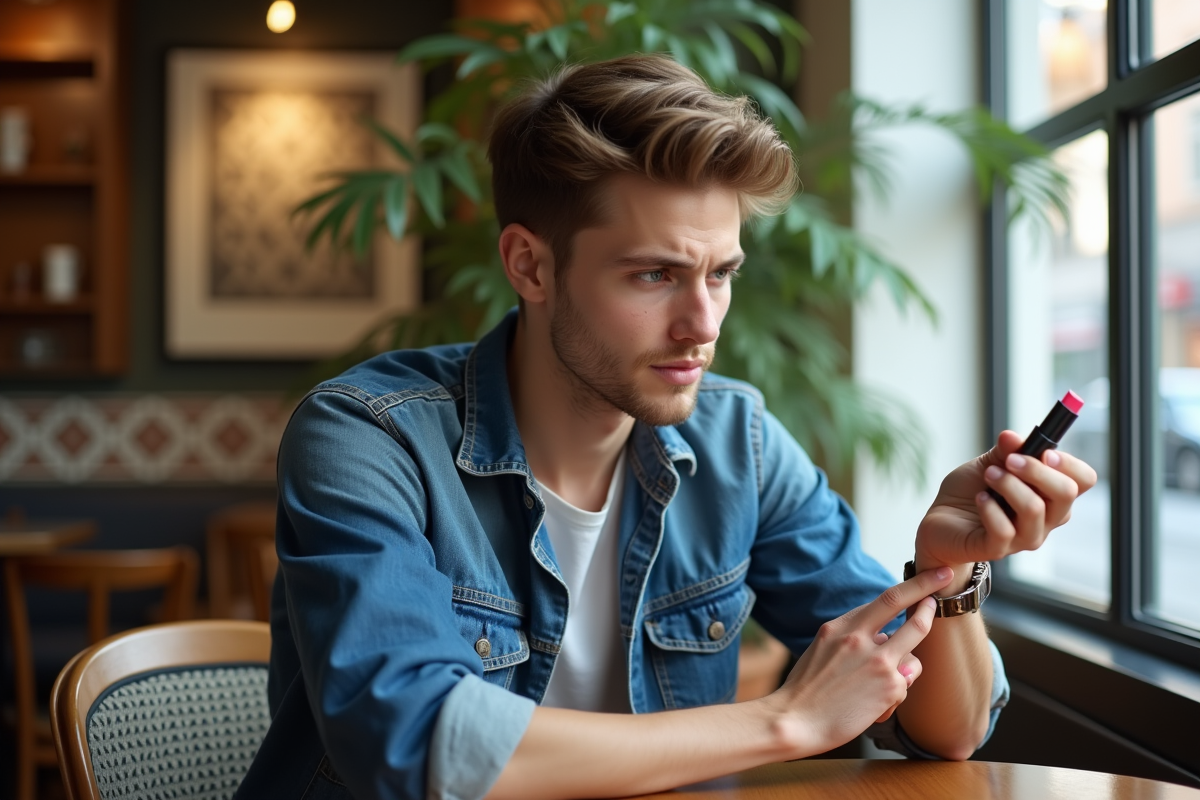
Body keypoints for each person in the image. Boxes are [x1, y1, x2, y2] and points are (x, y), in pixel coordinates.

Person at [235, 54, 1096, 800]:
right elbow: (415, 747)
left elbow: (944, 732)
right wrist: (785, 722)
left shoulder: (739, 446)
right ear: (530, 265)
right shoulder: (366, 438)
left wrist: (948, 576)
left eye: (720, 274)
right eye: (654, 275)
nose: (702, 323)